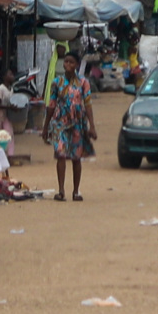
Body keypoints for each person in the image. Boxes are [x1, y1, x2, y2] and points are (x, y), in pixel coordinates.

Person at [43, 52, 97, 203]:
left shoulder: (83, 83)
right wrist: (46, 127)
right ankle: (61, 191)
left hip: (77, 124)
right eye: (66, 62)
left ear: (77, 65)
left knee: (76, 157)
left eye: (71, 62)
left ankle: (76, 191)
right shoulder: (56, 82)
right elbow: (51, 105)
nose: (67, 65)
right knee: (60, 155)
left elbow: (87, 104)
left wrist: (91, 126)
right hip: (59, 123)